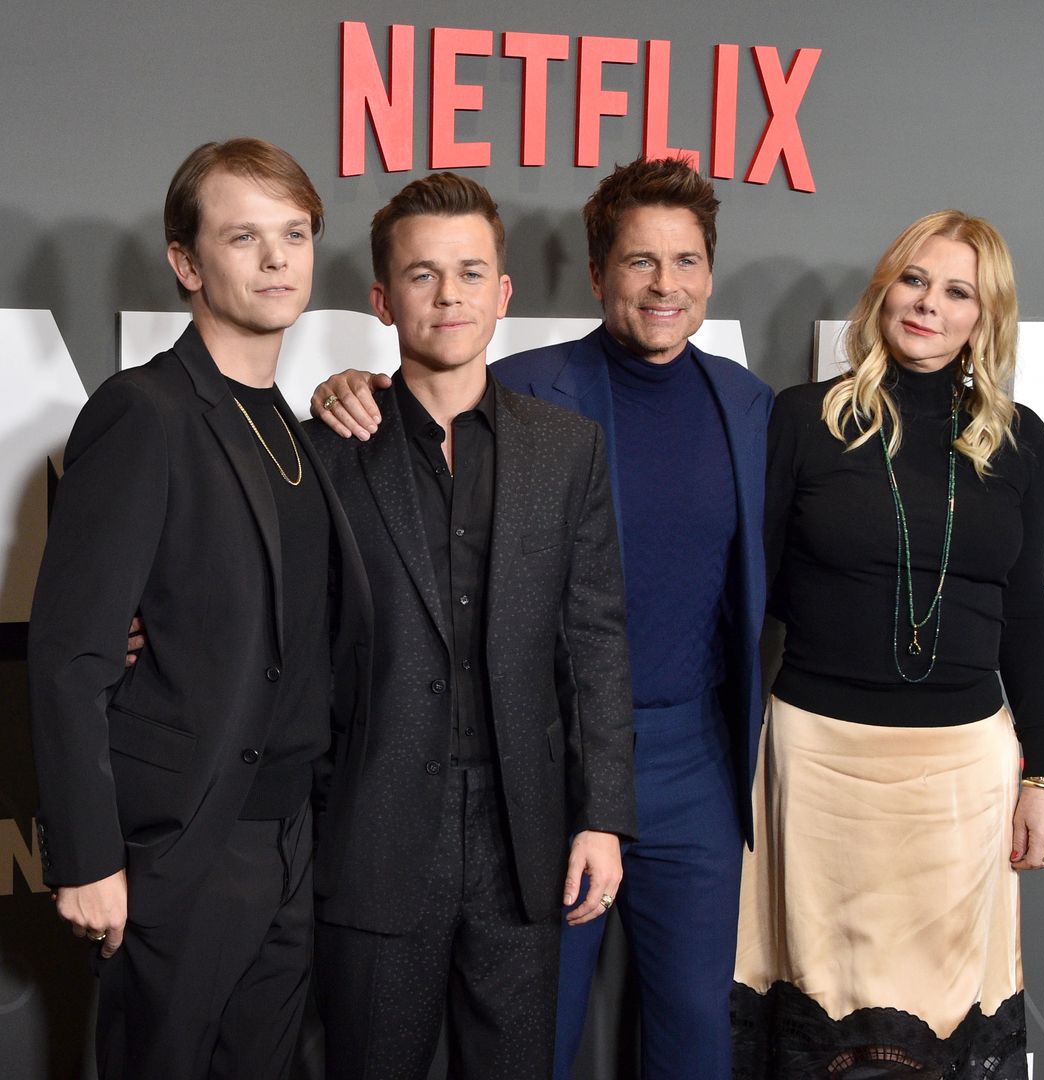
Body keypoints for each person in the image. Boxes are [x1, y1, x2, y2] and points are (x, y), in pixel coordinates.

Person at [312, 156, 772, 1080]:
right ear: (598, 274)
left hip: (691, 758)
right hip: (533, 765)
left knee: (692, 1029)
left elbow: (628, 619)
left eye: (685, 261)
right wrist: (341, 392)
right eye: (640, 261)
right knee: (528, 1035)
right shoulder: (516, 389)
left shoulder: (747, 406)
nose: (665, 283)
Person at [29, 138, 372, 1079]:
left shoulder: (301, 431)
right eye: (244, 236)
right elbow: (70, 656)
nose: (276, 259)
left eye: (294, 234)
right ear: (188, 263)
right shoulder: (146, 411)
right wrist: (89, 860)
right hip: (182, 846)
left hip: (292, 838)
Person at [305, 172, 636, 1080]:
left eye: (469, 272)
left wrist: (601, 814)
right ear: (382, 299)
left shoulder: (566, 449)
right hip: (372, 823)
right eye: (421, 275)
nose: (448, 295)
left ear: (504, 293)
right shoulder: (328, 448)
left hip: (522, 830)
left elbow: (596, 637)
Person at [732, 210, 1044, 1078]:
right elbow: (753, 600)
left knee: (944, 1023)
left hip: (961, 778)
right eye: (915, 279)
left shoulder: (1021, 438)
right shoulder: (805, 419)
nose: (929, 304)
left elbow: (1025, 614)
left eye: (958, 290)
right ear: (885, 289)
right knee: (818, 1014)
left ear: (985, 316)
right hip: (818, 766)